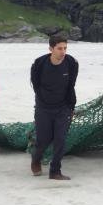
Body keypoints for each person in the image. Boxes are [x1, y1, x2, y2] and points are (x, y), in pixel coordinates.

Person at [30, 33, 79, 181]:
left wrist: (70, 107)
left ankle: (55, 171)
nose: (63, 51)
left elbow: (71, 85)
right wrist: (43, 100)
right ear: (51, 48)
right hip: (43, 107)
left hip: (63, 107)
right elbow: (35, 84)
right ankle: (36, 159)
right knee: (43, 140)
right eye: (59, 48)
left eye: (65, 48)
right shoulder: (39, 63)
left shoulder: (71, 63)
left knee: (60, 139)